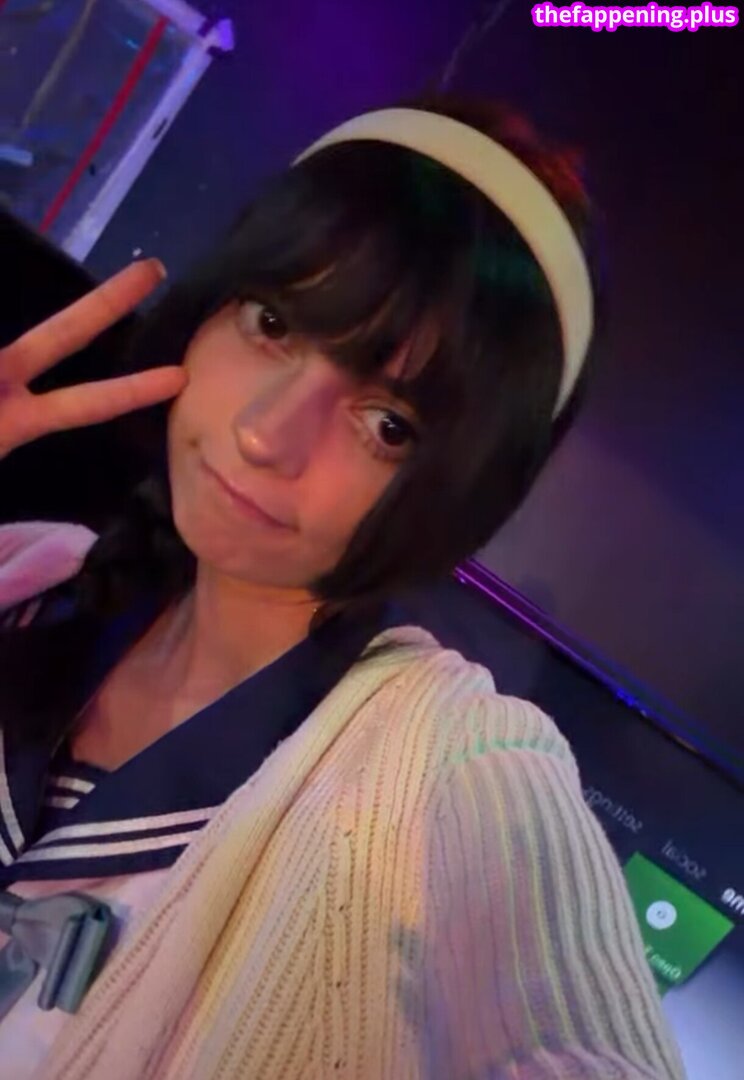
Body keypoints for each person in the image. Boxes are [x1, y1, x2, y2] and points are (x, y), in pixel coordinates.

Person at [0, 96, 684, 1079]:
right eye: (273, 324)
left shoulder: (446, 769)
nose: (266, 434)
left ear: (462, 494)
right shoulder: (31, 574)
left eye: (387, 423)